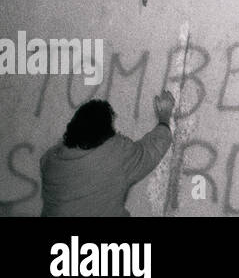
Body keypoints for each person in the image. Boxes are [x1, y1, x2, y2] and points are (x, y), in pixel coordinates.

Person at [40, 91, 176, 217]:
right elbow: (149, 152)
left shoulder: (50, 160)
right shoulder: (115, 154)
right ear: (106, 133)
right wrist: (164, 117)